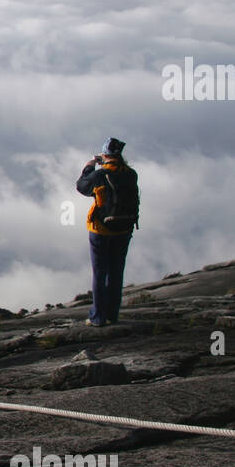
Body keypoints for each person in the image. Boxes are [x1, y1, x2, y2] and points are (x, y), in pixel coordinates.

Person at [76, 137, 138, 327]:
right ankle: (112, 314)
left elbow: (82, 186)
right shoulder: (131, 174)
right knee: (116, 272)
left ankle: (98, 317)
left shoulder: (100, 175)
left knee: (100, 273)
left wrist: (89, 166)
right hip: (124, 229)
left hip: (100, 230)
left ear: (104, 155)